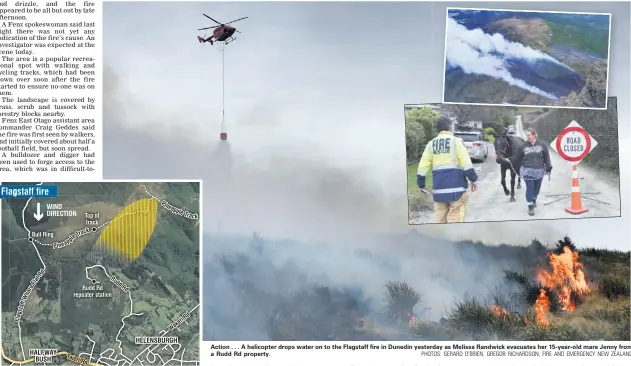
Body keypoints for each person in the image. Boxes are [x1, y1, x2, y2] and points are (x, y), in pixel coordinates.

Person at [417, 117, 478, 223]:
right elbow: (466, 163)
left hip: (439, 191)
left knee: (440, 221)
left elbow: (422, 166)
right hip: (457, 191)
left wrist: (421, 184)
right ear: (450, 127)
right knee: (455, 221)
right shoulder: (456, 142)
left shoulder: (431, 144)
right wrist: (473, 179)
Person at [514, 127, 552, 216]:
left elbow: (546, 157)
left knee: (537, 189)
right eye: (527, 135)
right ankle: (530, 206)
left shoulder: (542, 145)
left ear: (534, 135)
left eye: (529, 135)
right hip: (527, 171)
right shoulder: (523, 146)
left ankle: (534, 198)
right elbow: (517, 158)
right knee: (529, 187)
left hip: (539, 170)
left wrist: (548, 167)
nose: (527, 137)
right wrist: (517, 168)